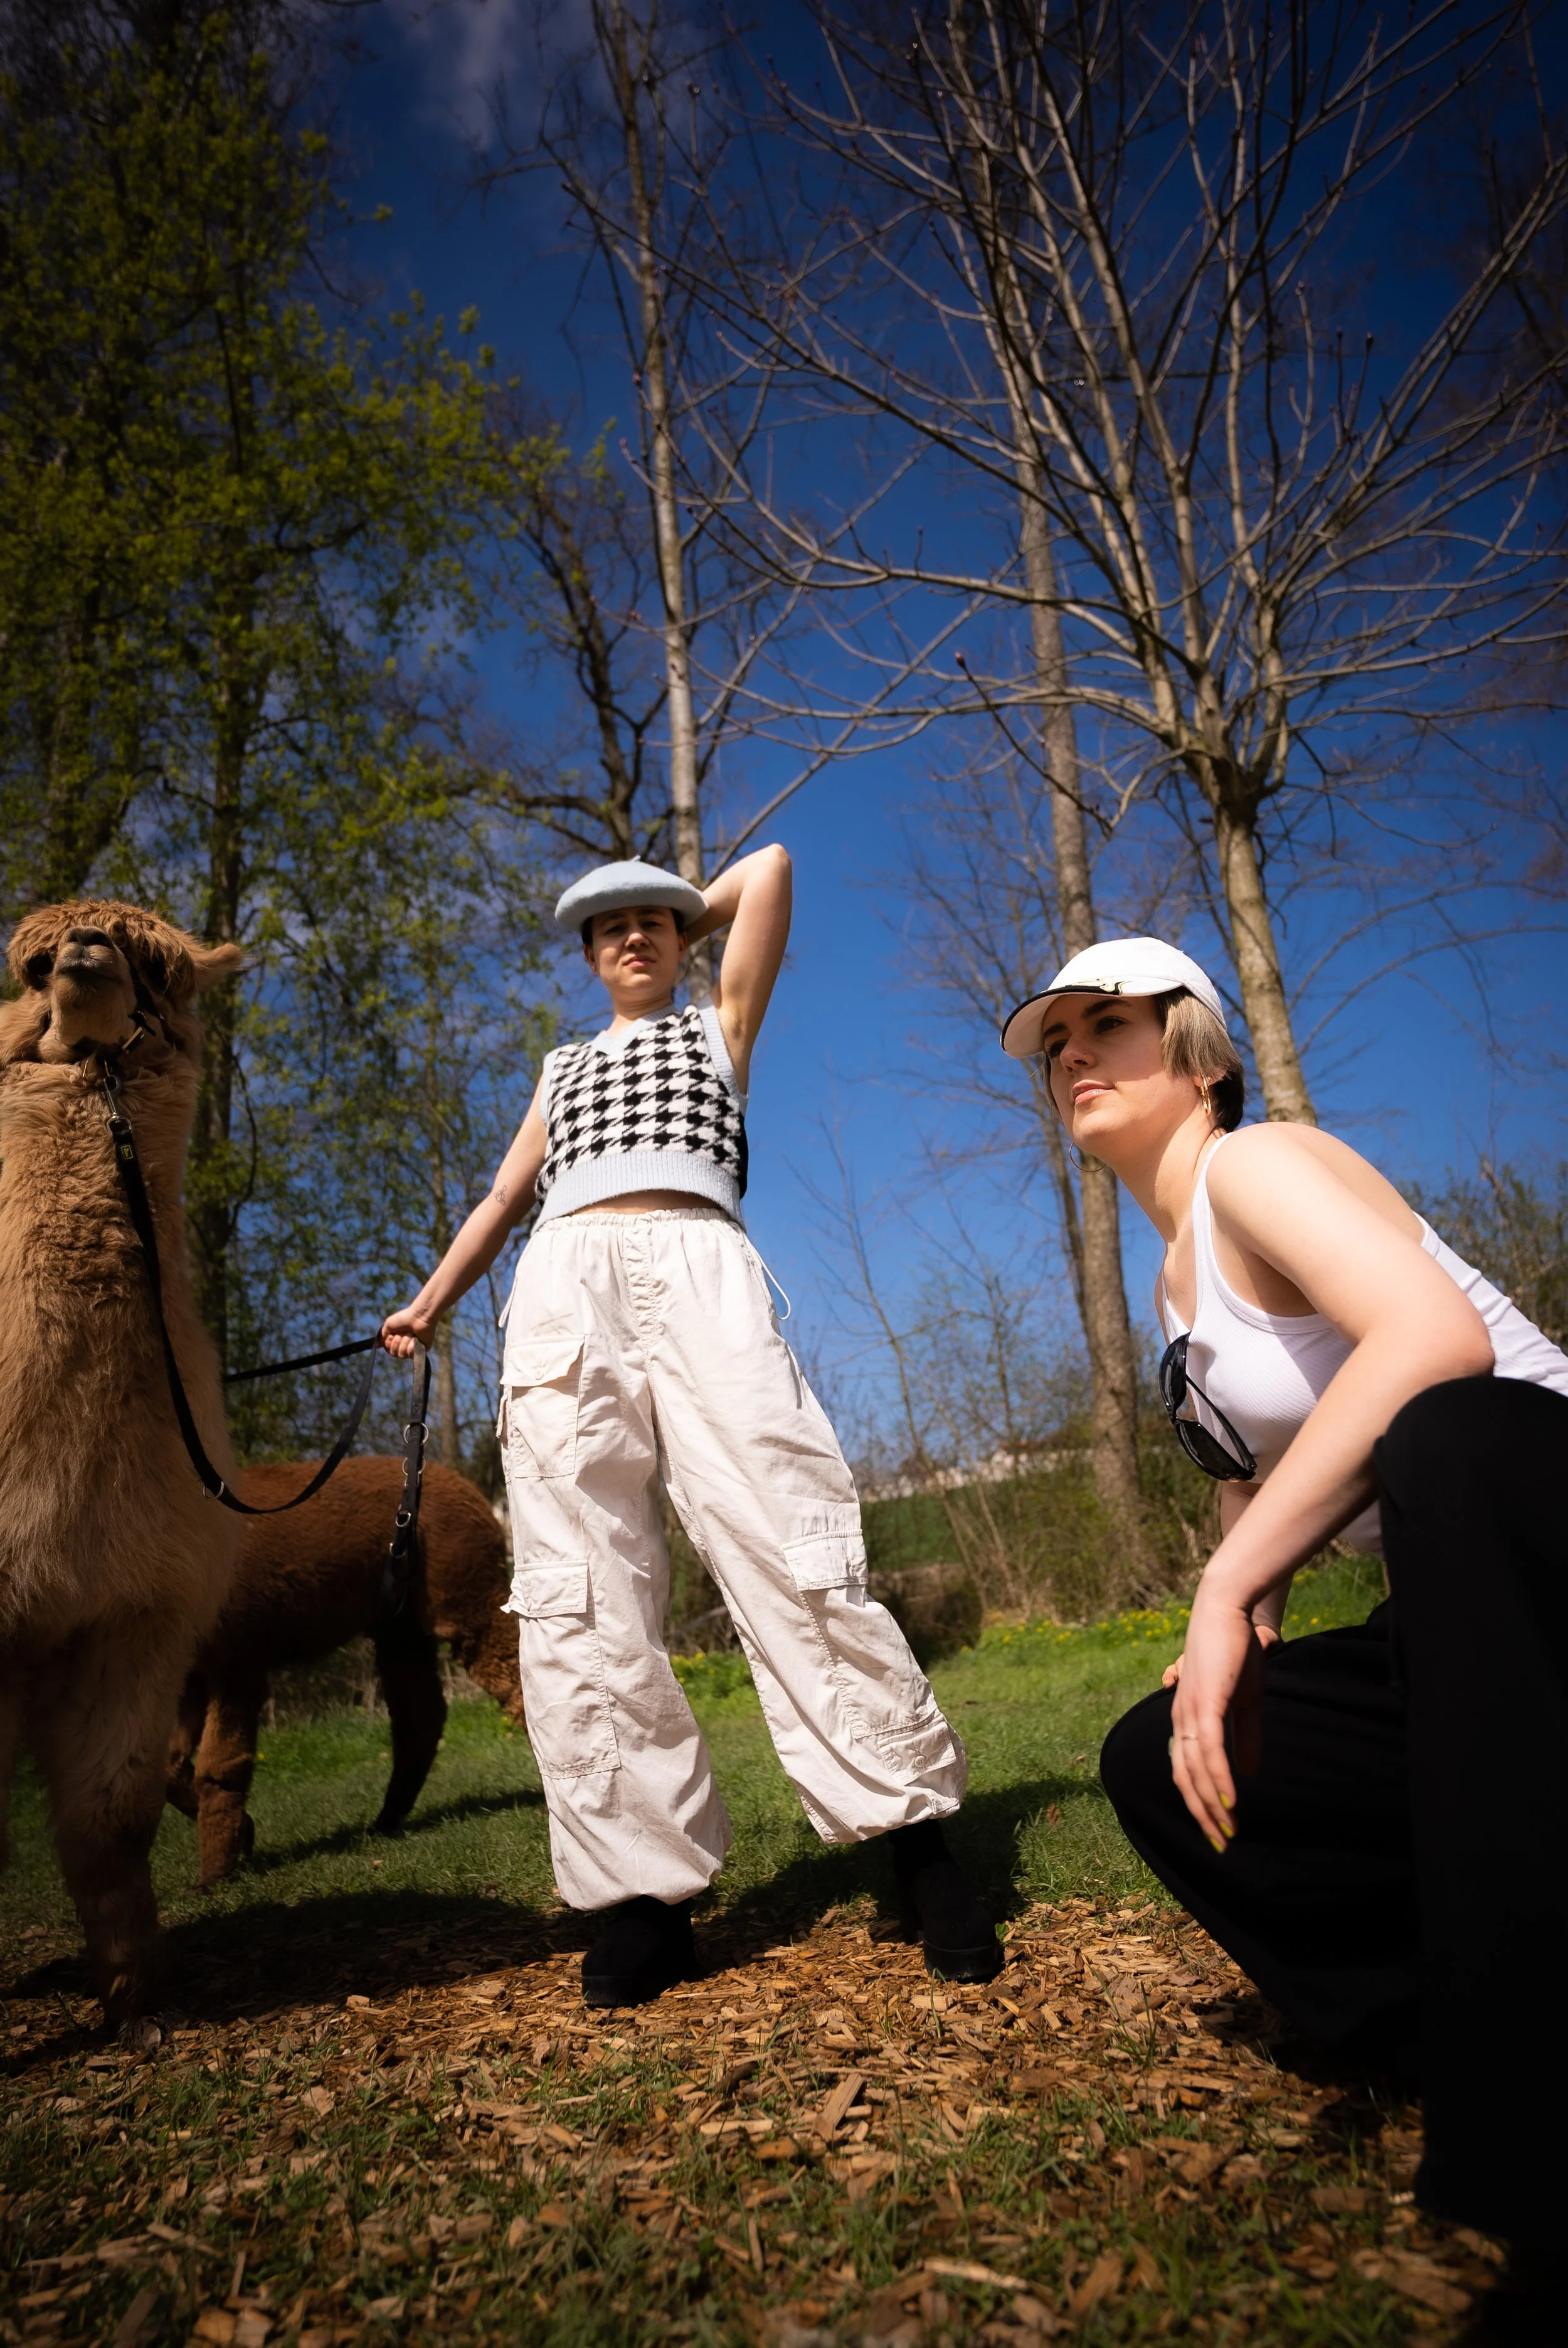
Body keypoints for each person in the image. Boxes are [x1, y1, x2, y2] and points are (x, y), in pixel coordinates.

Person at [999, 937, 1567, 2333]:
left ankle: (1535, 2125)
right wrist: (1239, 1627)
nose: (1072, 1054)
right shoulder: (1171, 1291)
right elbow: (1258, 1497)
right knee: (1158, 1751)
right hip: (1452, 1625)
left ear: (1197, 1053)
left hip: (1536, 1527)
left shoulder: (1255, 1165)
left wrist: (1219, 1588)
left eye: (1106, 1022)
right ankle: (1433, 2017)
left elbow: (1432, 1340)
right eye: (1054, 1042)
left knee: (1438, 1437)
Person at [384, 849, 999, 2005]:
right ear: (583, 954)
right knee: (578, 1587)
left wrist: (674, 918)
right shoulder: (562, 1068)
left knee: (788, 1532)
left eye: (653, 923)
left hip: (701, 1274)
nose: (633, 938)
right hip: (564, 1294)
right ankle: (642, 1897)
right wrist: (430, 1301)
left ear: (683, 938)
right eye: (609, 928)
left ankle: (914, 1841)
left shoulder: (719, 1026)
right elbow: (504, 1198)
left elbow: (771, 868)